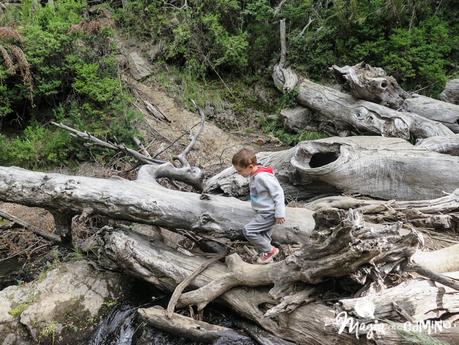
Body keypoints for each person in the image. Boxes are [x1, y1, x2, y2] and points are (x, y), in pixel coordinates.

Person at [232, 148, 286, 264]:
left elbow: (278, 193)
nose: (238, 173)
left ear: (250, 167)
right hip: (263, 211)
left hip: (269, 213)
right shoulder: (255, 174)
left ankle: (270, 250)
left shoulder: (262, 176)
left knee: (248, 231)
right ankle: (267, 258)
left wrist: (280, 212)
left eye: (240, 171)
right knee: (264, 236)